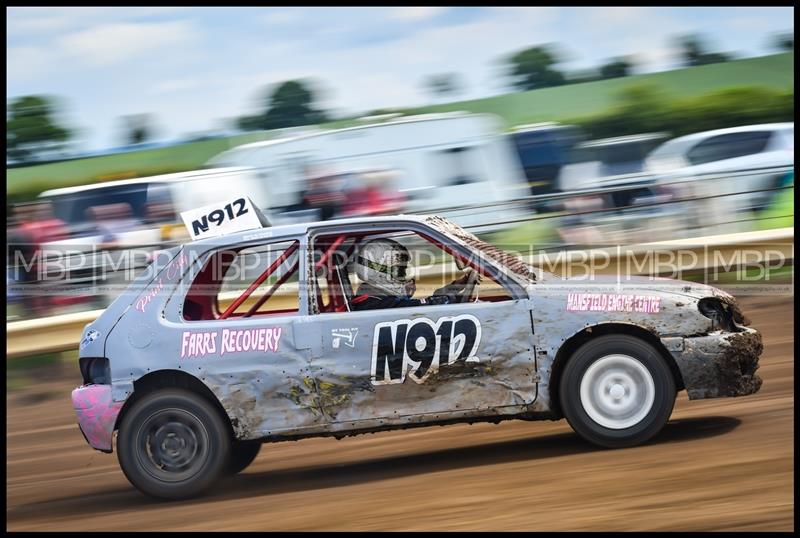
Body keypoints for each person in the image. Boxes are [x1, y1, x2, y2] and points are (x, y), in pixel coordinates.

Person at [350, 238, 478, 311]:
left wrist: (456, 285)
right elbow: (428, 305)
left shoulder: (377, 299)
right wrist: (453, 298)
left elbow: (426, 303)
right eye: (399, 271)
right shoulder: (376, 305)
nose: (403, 276)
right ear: (377, 272)